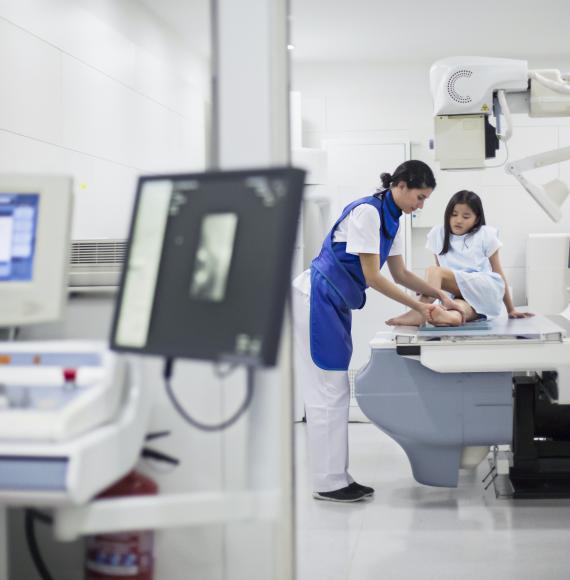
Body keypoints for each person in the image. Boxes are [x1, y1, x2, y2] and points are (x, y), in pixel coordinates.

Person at [292, 160, 464, 503]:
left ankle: (337, 477)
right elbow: (374, 277)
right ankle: (328, 482)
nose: (421, 205)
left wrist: (442, 294)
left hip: (335, 301)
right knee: (328, 389)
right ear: (400, 186)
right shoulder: (368, 213)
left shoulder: (393, 219)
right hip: (317, 296)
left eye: (426, 198)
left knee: (335, 389)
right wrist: (421, 308)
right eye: (419, 196)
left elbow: (401, 274)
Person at [386, 189, 534, 327]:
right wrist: (430, 289)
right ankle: (444, 316)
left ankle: (419, 313)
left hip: (483, 288)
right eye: (454, 214)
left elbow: (498, 273)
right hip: (459, 294)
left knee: (434, 271)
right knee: (455, 312)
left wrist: (510, 309)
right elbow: (441, 279)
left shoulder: (485, 234)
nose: (458, 220)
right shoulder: (439, 234)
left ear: (476, 219)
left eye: (466, 216)